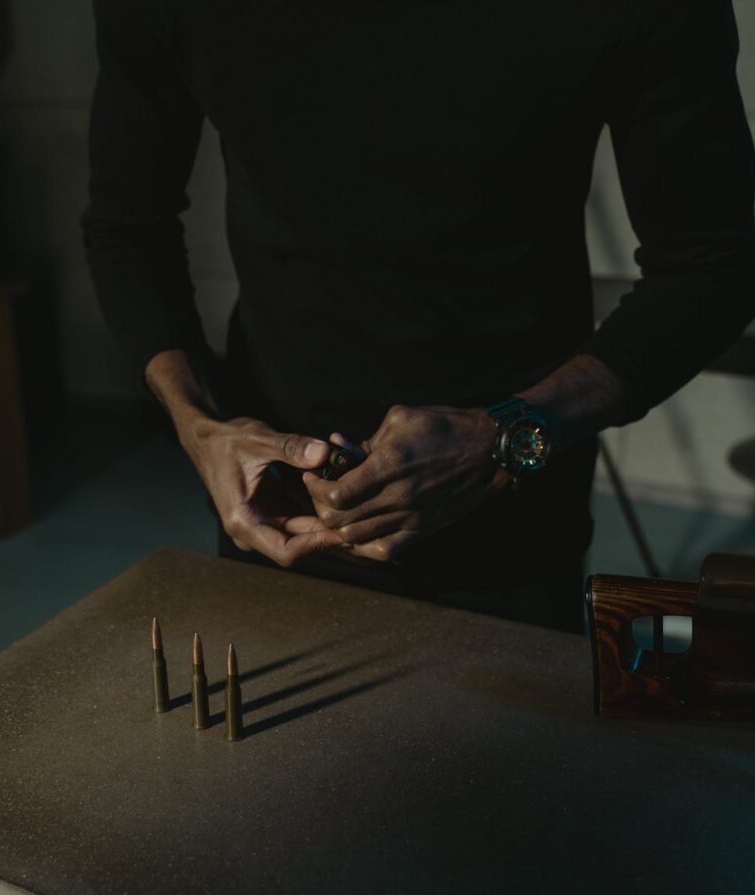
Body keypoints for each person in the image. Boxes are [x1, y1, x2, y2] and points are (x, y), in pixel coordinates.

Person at [81, 0, 755, 633]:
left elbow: (714, 264)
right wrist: (199, 427)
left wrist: (506, 439)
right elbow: (125, 225)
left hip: (510, 520)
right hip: (271, 504)